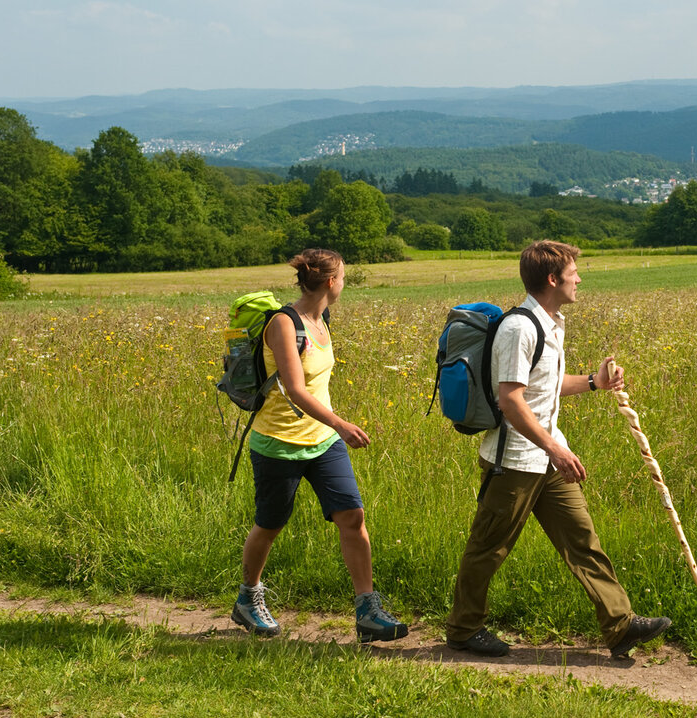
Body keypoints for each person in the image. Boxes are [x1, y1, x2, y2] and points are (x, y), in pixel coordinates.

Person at [445, 240, 671, 659]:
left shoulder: (551, 322)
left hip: (547, 459)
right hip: (513, 463)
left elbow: (542, 386)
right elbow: (510, 400)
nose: (579, 279)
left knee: (583, 540)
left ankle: (620, 626)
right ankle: (463, 629)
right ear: (552, 279)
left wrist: (593, 382)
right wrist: (554, 448)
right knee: (488, 549)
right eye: (573, 273)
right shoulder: (519, 328)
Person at [231, 248, 407, 643]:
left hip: (322, 441)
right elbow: (294, 388)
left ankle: (367, 610)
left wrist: (332, 429)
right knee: (270, 523)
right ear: (331, 282)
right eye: (343, 277)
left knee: (352, 517)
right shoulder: (282, 323)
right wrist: (342, 424)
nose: (344, 283)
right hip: (279, 441)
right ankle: (248, 598)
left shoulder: (321, 320)